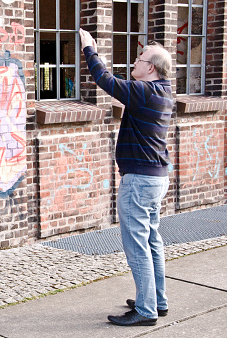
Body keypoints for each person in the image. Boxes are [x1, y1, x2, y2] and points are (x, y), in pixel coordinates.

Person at [79, 28, 173, 326]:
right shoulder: (163, 91)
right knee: (152, 240)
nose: (135, 61)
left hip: (140, 181)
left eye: (140, 58)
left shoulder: (145, 91)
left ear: (151, 67)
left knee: (138, 246)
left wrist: (89, 49)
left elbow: (105, 80)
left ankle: (145, 312)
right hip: (155, 178)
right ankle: (156, 300)